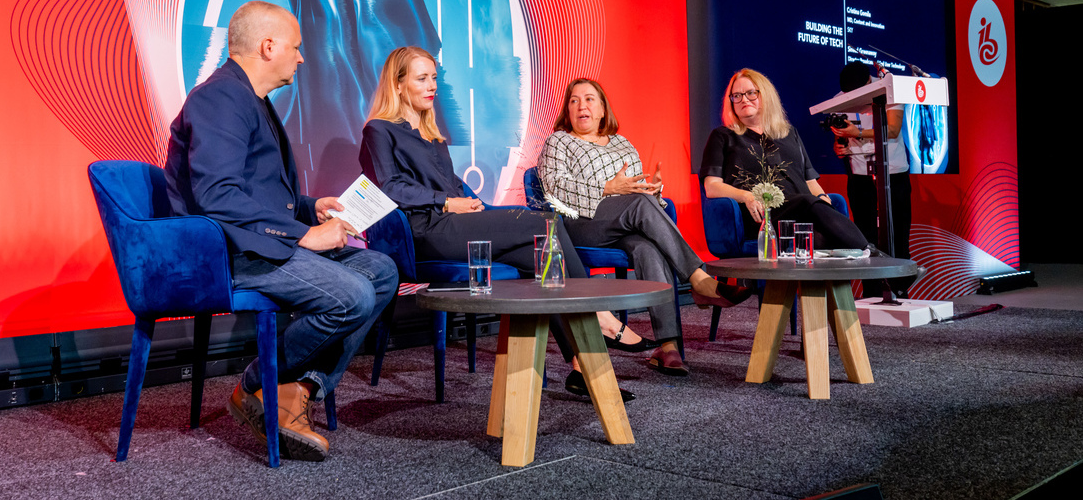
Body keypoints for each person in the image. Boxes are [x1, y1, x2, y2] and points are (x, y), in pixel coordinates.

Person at [165, 1, 398, 462]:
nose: (302, 57)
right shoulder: (220, 97)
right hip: (229, 253)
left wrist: (312, 208)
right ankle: (256, 384)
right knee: (352, 295)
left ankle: (295, 389)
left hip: (258, 241)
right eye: (295, 47)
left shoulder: (251, 99)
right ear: (268, 46)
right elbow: (217, 194)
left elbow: (256, 190)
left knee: (382, 270)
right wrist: (302, 235)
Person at [359, 47, 638, 400]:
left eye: (434, 77)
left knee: (541, 259)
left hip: (452, 224)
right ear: (397, 85)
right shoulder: (379, 130)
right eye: (421, 78)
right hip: (423, 232)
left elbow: (453, 185)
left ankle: (581, 367)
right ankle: (596, 311)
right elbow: (388, 188)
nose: (432, 86)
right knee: (545, 223)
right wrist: (446, 201)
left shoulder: (432, 134)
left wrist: (474, 203)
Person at [538, 78, 752, 377]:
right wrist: (608, 187)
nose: (581, 105)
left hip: (626, 222)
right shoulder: (558, 141)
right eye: (574, 100)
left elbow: (637, 192)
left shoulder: (622, 143)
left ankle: (669, 348)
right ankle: (699, 278)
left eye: (589, 99)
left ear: (602, 109)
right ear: (567, 110)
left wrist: (653, 192)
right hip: (581, 225)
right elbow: (555, 188)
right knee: (639, 206)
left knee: (648, 246)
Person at [700, 68, 871, 252]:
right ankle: (870, 253)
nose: (744, 99)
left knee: (819, 235)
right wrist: (746, 196)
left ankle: (826, 275)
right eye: (737, 95)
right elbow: (712, 187)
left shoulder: (789, 133)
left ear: (765, 95)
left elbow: (809, 181)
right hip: (761, 215)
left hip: (804, 212)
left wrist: (821, 198)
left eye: (751, 93)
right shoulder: (723, 136)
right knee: (807, 204)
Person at [832, 61, 915, 295]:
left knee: (897, 235)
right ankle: (871, 292)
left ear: (869, 82)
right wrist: (839, 145)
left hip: (893, 174)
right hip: (859, 175)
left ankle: (900, 292)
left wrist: (857, 132)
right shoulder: (841, 97)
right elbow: (840, 133)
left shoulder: (889, 88)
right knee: (864, 238)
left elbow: (893, 129)